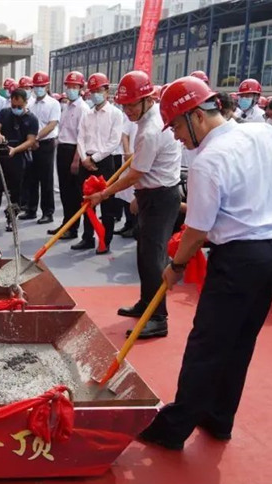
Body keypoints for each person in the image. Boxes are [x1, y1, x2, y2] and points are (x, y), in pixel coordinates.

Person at [136, 76, 272, 451]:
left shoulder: (208, 161)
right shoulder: (261, 133)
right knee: (240, 340)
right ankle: (219, 418)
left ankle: (174, 427)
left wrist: (174, 266)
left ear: (197, 116)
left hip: (240, 258)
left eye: (177, 125)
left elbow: (196, 231)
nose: (176, 136)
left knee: (207, 343)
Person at [86, 70, 182, 339]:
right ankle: (145, 302)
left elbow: (136, 173)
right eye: (124, 105)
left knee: (154, 258)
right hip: (151, 193)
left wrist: (104, 194)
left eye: (132, 105)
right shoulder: (146, 120)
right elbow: (141, 172)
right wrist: (138, 198)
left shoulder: (151, 129)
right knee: (144, 253)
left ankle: (158, 316)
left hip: (162, 196)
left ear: (147, 100)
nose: (127, 110)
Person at [71, 73, 127, 254]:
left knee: (106, 203)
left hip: (104, 162)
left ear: (106, 91)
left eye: (98, 90)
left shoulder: (116, 114)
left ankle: (105, 240)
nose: (95, 94)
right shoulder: (87, 114)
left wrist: (94, 159)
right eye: (92, 91)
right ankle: (87, 237)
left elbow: (114, 141)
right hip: (86, 161)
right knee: (87, 202)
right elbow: (80, 138)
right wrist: (84, 158)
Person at [0, 89, 39, 232]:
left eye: (19, 106)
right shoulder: (5, 113)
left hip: (18, 157)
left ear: (25, 103)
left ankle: (11, 218)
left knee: (15, 190)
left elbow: (31, 141)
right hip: (1, 156)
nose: (15, 109)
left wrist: (15, 150)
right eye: (13, 105)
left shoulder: (32, 119)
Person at [50, 70, 89, 240]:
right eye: (69, 86)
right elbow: (63, 130)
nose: (71, 89)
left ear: (80, 88)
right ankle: (66, 223)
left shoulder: (83, 108)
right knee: (65, 191)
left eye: (75, 86)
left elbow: (82, 137)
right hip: (63, 149)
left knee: (74, 193)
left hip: (74, 151)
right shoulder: (65, 106)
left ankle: (73, 228)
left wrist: (76, 159)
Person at [20, 71, 60, 224]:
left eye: (41, 86)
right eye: (36, 86)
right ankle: (31, 209)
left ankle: (47, 212)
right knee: (31, 178)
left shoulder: (53, 103)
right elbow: (26, 122)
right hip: (31, 144)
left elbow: (52, 125)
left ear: (47, 86)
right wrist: (30, 140)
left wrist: (36, 138)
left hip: (45, 144)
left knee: (46, 179)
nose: (38, 89)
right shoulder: (30, 103)